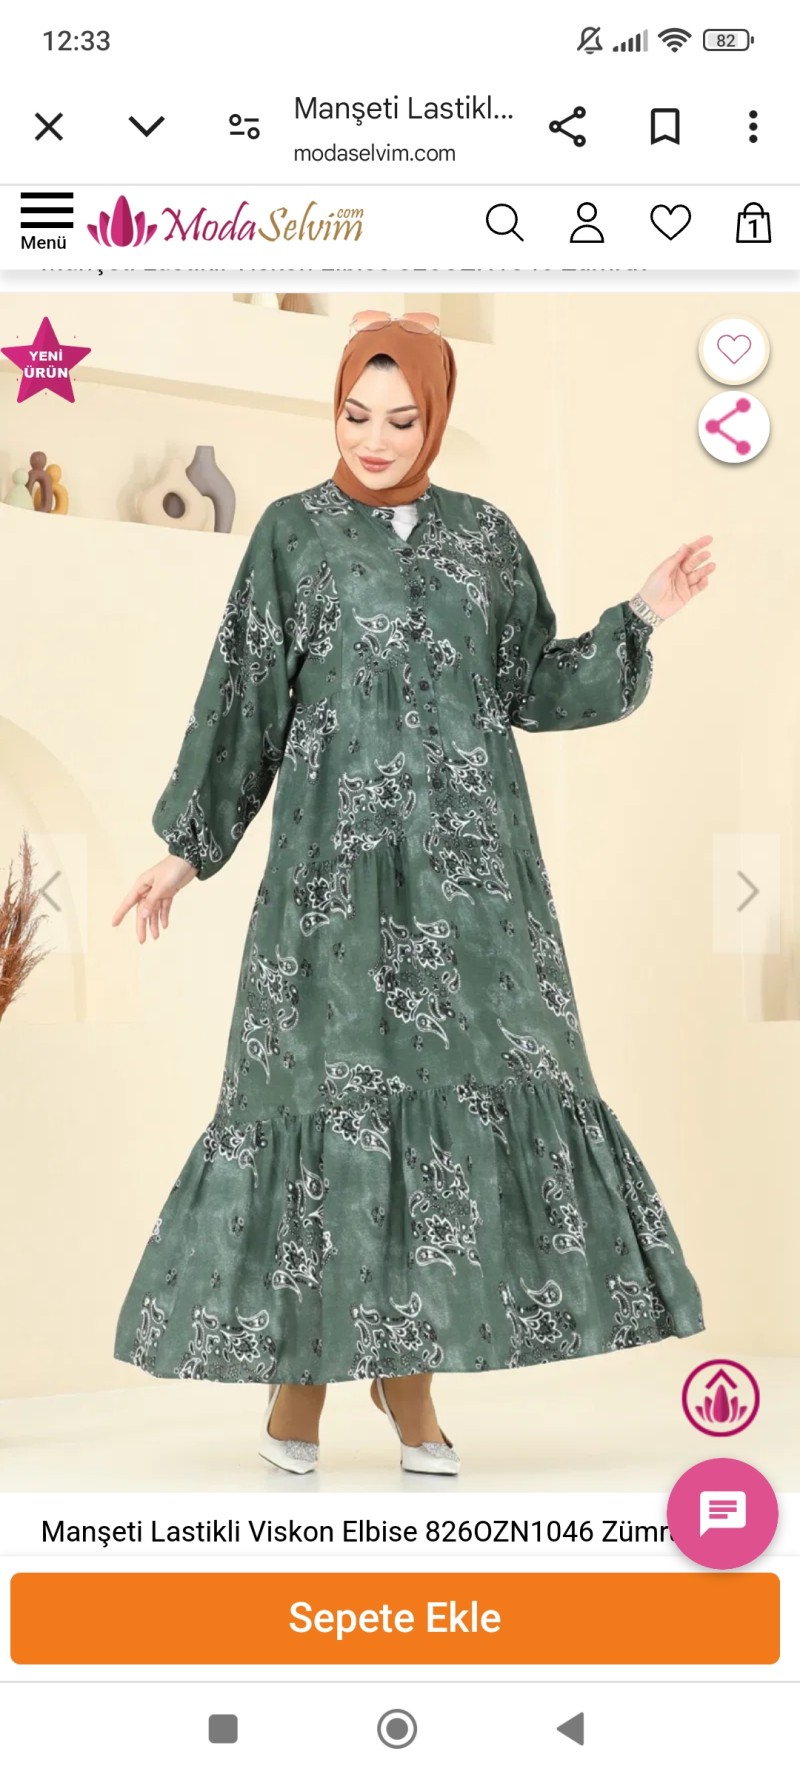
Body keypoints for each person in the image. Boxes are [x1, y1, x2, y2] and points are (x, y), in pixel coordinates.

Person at [113, 312, 712, 1477]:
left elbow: (531, 687)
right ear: (333, 411)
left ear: (433, 419)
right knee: (317, 1107)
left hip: (470, 889)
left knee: (444, 1115)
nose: (375, 438)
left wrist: (639, 614)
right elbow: (245, 695)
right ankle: (298, 1382)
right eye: (354, 415)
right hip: (330, 889)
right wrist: (184, 851)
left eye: (401, 418)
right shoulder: (291, 534)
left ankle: (410, 1380)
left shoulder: (482, 539)